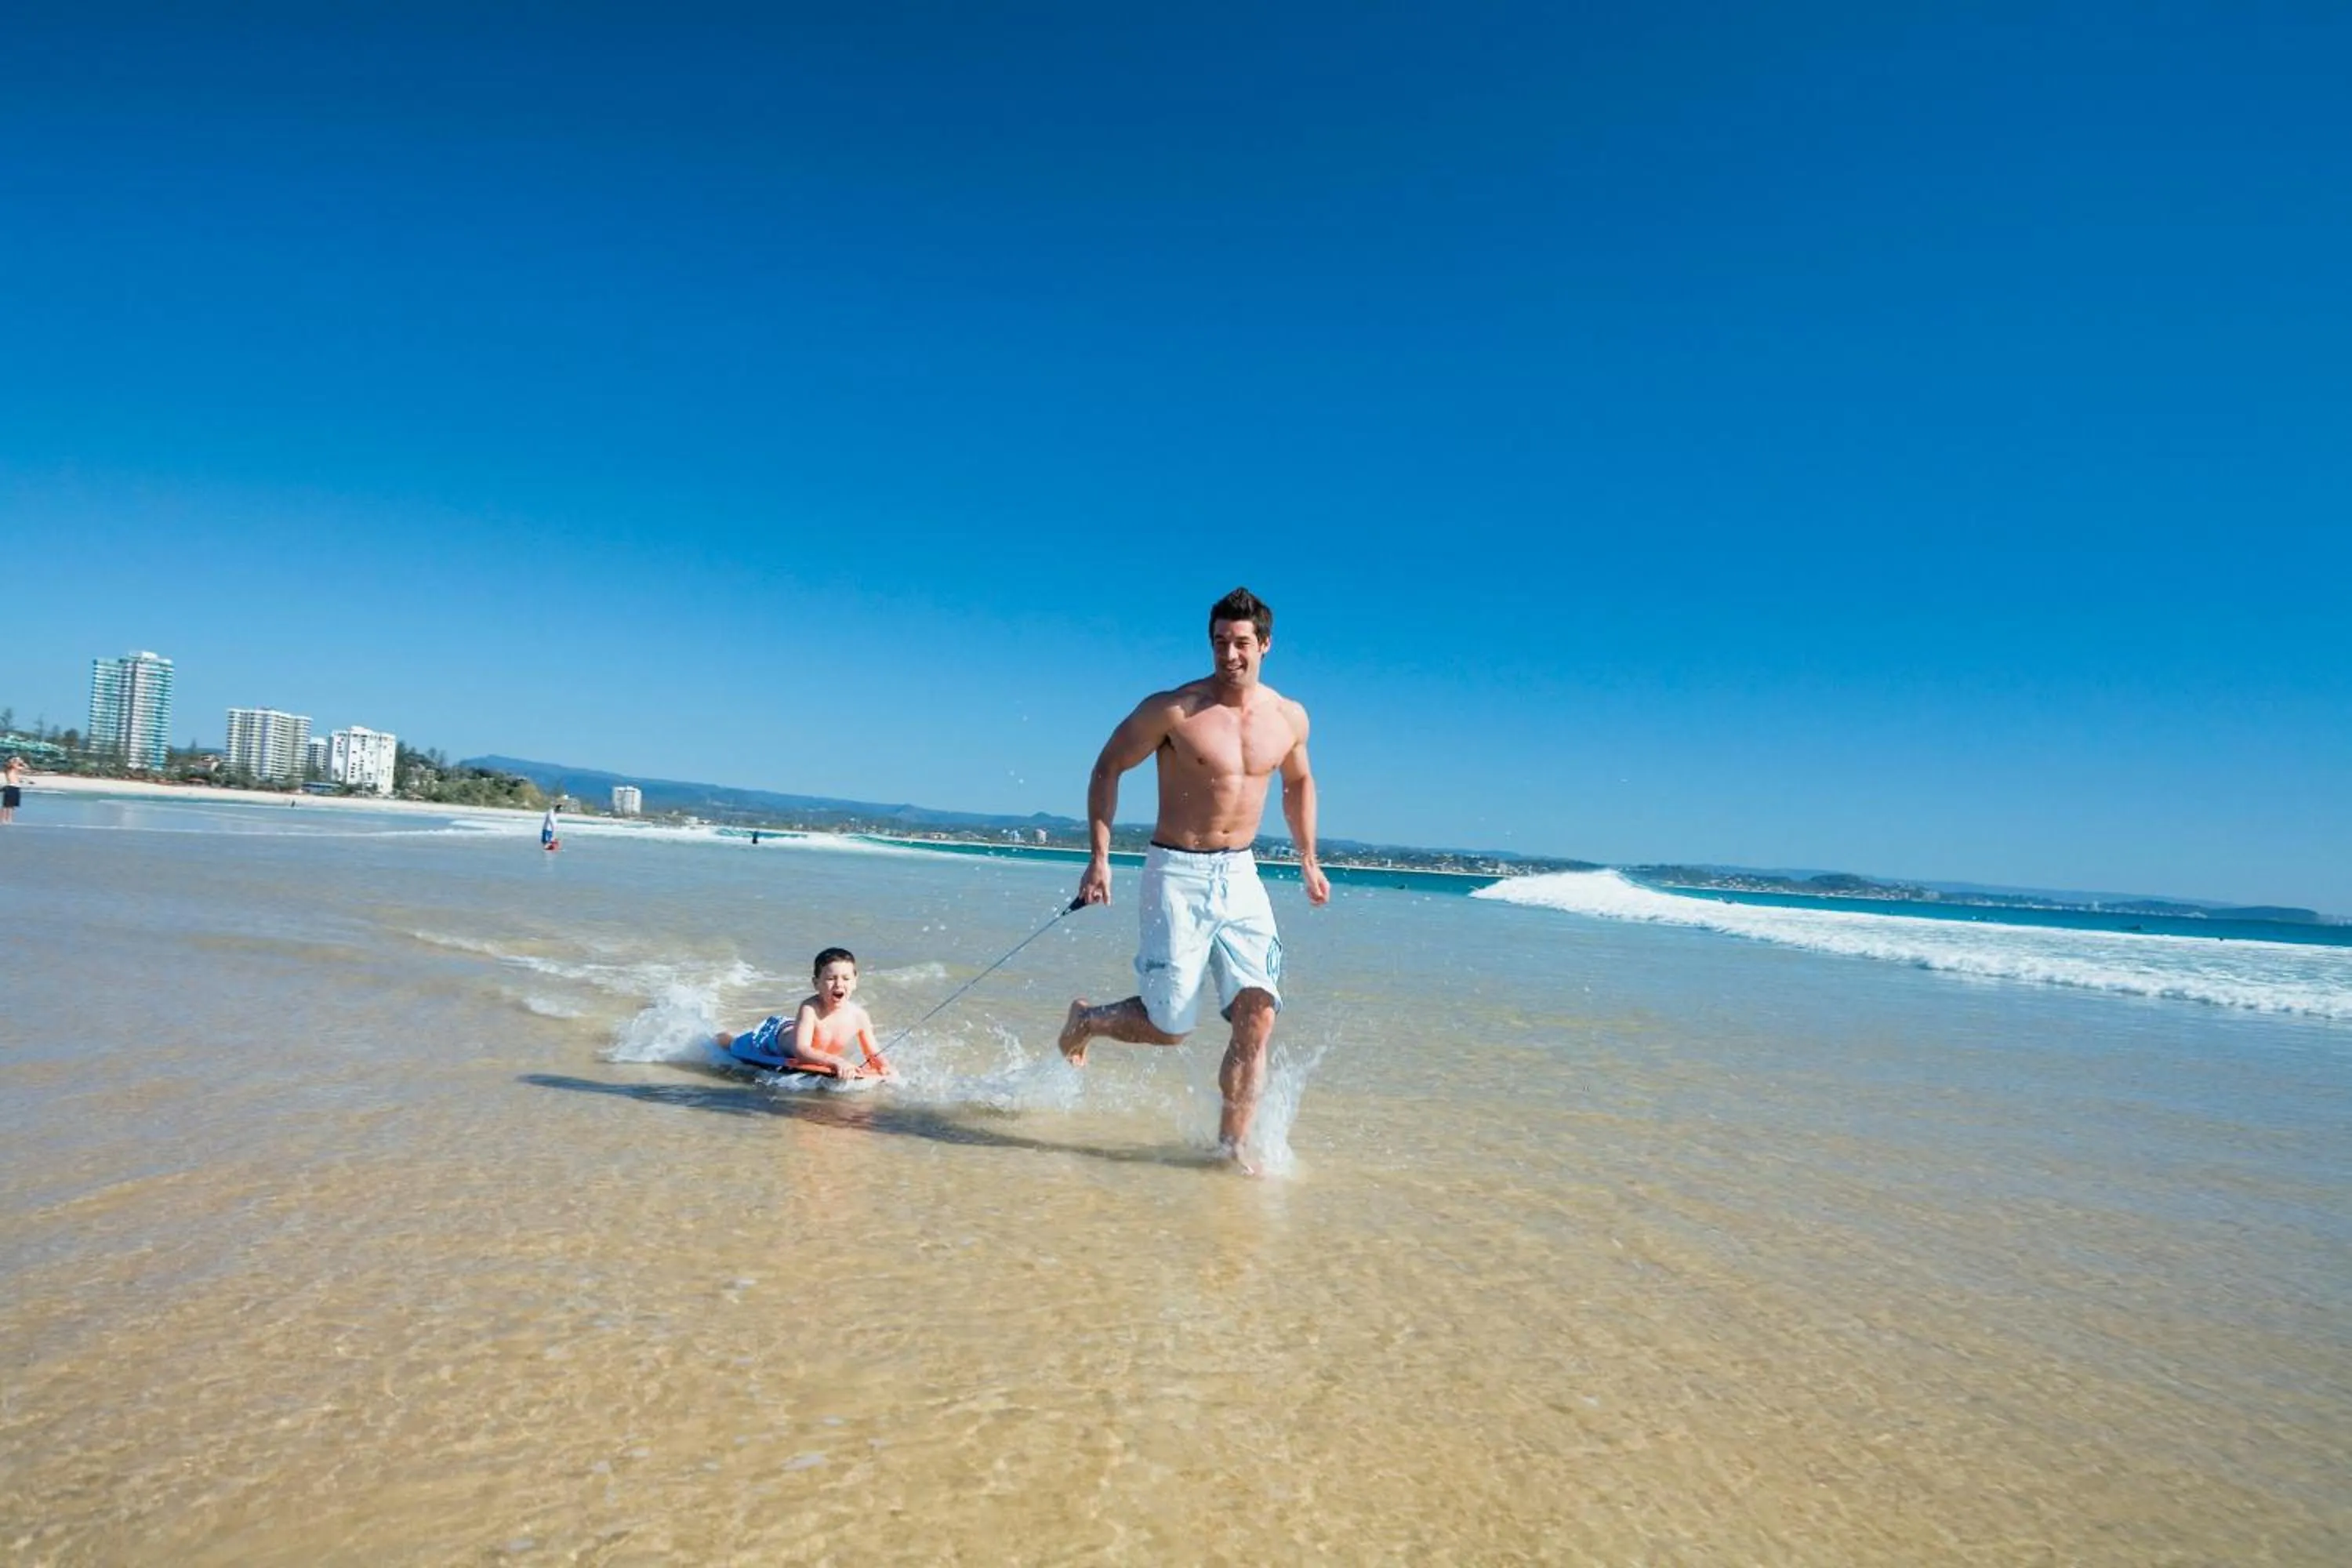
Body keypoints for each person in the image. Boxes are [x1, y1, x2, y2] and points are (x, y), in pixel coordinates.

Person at [1057, 586, 1330, 1169]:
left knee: (1258, 1014)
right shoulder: (1174, 710)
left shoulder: (1289, 717)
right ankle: (1088, 1020)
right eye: (1219, 642)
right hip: (1176, 872)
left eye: (1241, 643)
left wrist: (1308, 857)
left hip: (1243, 873)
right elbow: (1108, 766)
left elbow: (1298, 782)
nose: (1229, 655)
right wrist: (1100, 857)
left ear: (1265, 644)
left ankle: (1232, 1150)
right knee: (1169, 1027)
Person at [720, 948, 895, 1079]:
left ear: (855, 982)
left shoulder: (859, 1016)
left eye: (846, 978)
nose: (839, 984)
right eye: (831, 978)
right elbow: (801, 1050)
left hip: (800, 1032)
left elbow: (873, 1053)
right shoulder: (810, 1008)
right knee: (733, 1046)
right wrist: (837, 1061)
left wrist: (885, 1067)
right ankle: (719, 1037)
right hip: (772, 1038)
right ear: (816, 983)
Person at [2, 755, 24, 825]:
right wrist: (16, 760)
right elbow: (12, 765)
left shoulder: (16, 769)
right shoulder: (9, 768)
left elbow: (24, 767)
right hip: (10, 787)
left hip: (16, 787)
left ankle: (9, 820)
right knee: (6, 805)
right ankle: (3, 820)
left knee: (12, 806)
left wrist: (20, 761)